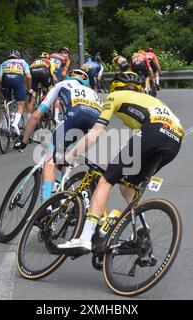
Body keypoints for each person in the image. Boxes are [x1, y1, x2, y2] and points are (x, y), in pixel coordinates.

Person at [57, 71, 184, 254]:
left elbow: (94, 134)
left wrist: (70, 156)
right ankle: (142, 230)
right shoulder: (150, 101)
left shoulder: (114, 96)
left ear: (115, 86)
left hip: (153, 133)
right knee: (127, 186)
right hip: (175, 140)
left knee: (106, 180)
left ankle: (84, 238)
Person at [14, 69, 103, 204]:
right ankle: (62, 194)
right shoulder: (93, 93)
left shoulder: (62, 84)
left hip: (74, 118)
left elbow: (36, 115)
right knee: (67, 158)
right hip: (94, 126)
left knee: (49, 161)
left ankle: (46, 205)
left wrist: (24, 141)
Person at [0, 50, 32, 136]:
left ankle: (5, 124)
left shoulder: (4, 63)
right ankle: (15, 123)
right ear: (19, 56)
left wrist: (2, 88)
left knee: (7, 101)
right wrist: (29, 89)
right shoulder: (22, 62)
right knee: (21, 104)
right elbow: (28, 76)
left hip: (6, 80)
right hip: (18, 80)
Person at [27, 52, 58, 118]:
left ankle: (29, 118)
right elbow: (54, 76)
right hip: (44, 72)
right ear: (48, 58)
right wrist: (56, 87)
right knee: (49, 92)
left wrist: (29, 89)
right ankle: (47, 110)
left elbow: (28, 77)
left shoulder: (34, 62)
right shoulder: (50, 61)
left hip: (33, 72)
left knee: (32, 98)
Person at [49, 47, 71, 123]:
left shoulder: (52, 55)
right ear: (67, 54)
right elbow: (63, 73)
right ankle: (56, 117)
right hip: (55, 72)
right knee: (57, 94)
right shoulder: (66, 58)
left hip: (46, 71)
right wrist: (63, 82)